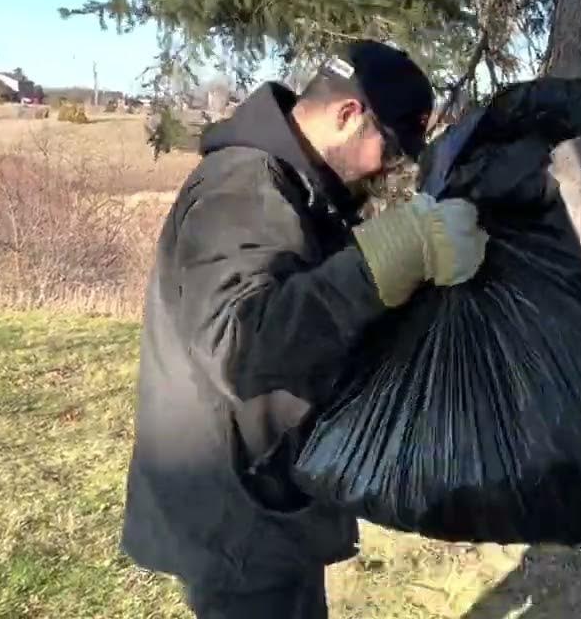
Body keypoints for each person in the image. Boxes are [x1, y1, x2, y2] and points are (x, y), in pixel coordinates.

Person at [120, 40, 488, 618]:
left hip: (267, 493)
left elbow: (317, 314)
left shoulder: (300, 190)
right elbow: (237, 343)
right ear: (348, 115)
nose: (386, 169)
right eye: (388, 149)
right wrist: (386, 257)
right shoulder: (244, 184)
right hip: (238, 508)